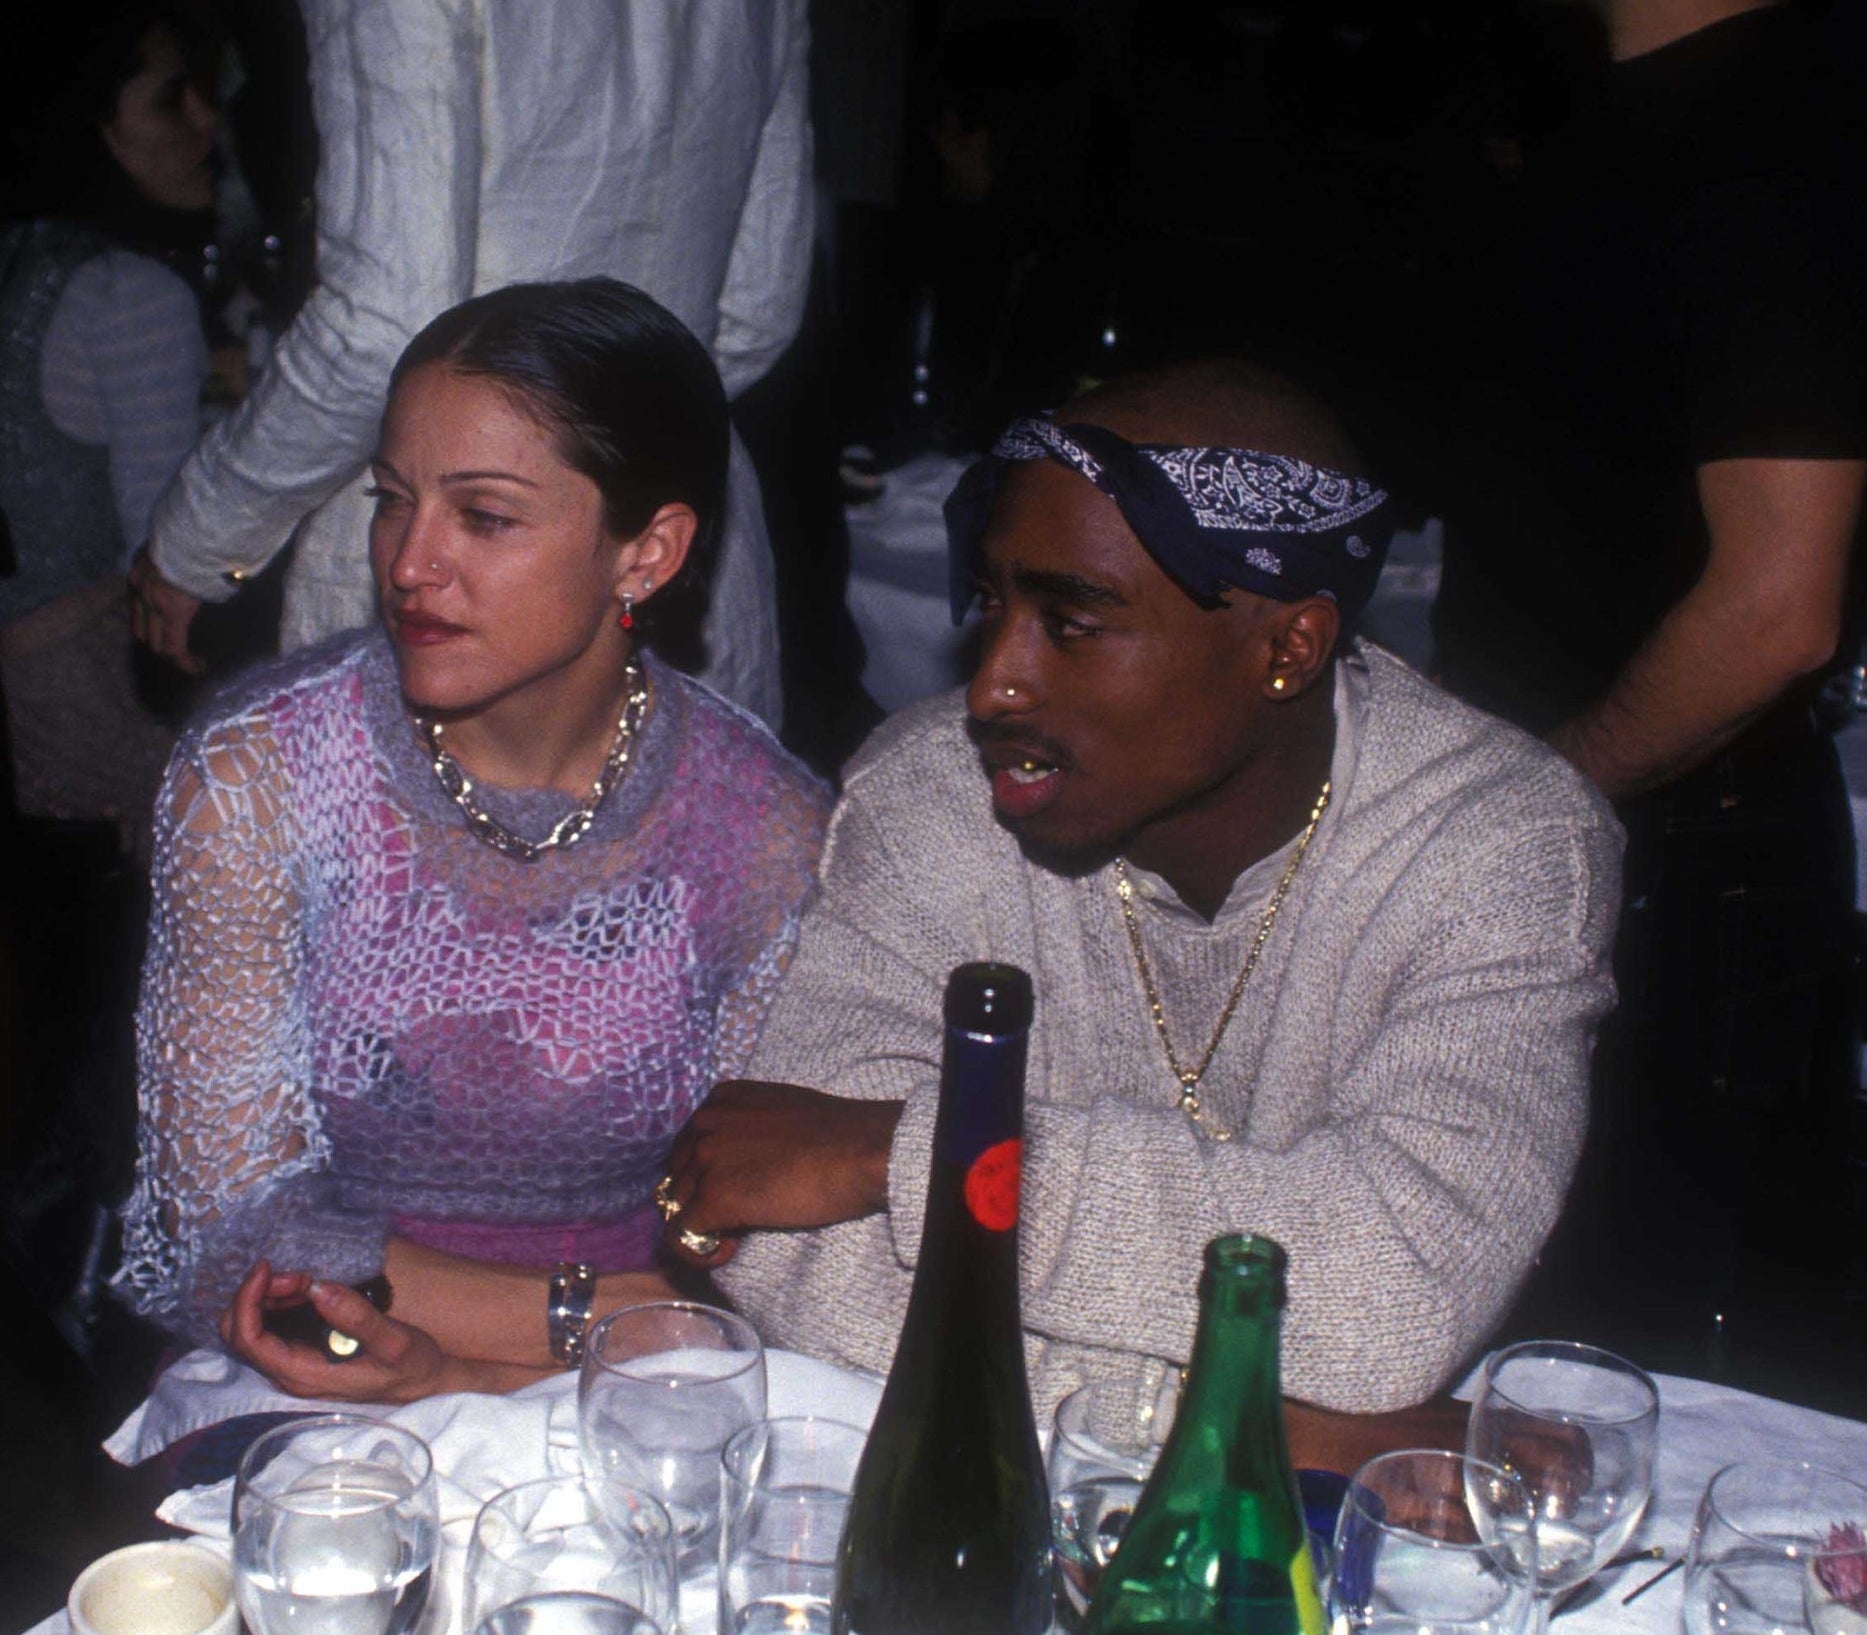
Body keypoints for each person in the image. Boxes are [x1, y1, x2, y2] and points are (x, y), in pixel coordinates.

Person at [654, 360, 1623, 1427]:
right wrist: (1257, 1432)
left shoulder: (1503, 844)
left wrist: (907, 1154)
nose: (992, 684)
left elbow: (1394, 1287)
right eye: (991, 602)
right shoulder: (932, 795)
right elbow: (793, 1258)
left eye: (1074, 622)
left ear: (1288, 647)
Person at [113, 279, 830, 1405]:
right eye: (393, 501)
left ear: (646, 554)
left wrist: (586, 1341)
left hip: (638, 1390)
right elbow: (233, 1220)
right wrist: (592, 1311)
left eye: (483, 517)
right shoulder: (263, 775)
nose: (407, 563)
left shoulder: (764, 829)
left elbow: (760, 1224)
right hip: (314, 1368)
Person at [1430, 0, 1867, 1353]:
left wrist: (1517, 798)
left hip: (1676, 887)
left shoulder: (1776, 128)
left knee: (1619, 1410)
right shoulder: (1623, 112)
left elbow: (1773, 608)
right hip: (1607, 860)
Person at [130, 0, 813, 726]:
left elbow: (382, 325)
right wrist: (613, 471)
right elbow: (756, 312)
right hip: (669, 549)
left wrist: (200, 535)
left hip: (449, 559)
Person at [0, 2, 216, 848]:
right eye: (170, 99)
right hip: (90, 710)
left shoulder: (23, 260)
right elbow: (167, 555)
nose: (205, 120)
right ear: (95, 127)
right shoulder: (130, 296)